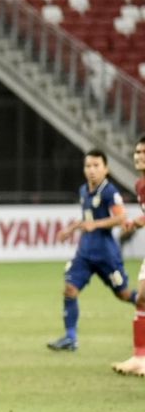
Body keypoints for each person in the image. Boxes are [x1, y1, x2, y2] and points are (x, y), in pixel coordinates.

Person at [47, 149, 136, 352]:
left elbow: (121, 217)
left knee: (124, 294)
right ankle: (71, 338)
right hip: (85, 253)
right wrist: (70, 229)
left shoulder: (109, 192)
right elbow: (86, 219)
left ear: (106, 169)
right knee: (70, 289)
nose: (92, 170)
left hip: (106, 255)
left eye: (96, 166)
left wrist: (95, 225)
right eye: (88, 166)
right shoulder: (83, 191)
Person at [112, 138, 145, 375]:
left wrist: (136, 222)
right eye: (137, 151)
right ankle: (139, 356)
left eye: (144, 152)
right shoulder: (140, 185)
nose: (138, 156)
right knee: (142, 298)